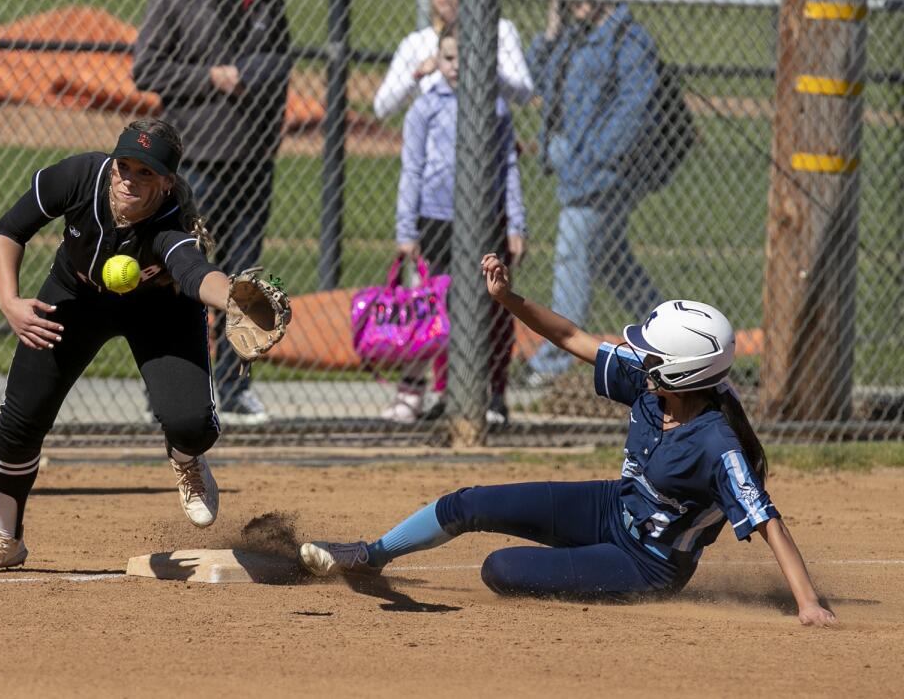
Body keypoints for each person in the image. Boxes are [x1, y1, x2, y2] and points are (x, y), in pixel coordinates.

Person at [297, 257, 839, 628]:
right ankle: (371, 555)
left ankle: (585, 563)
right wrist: (508, 297)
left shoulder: (717, 443)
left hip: (647, 566)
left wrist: (809, 605)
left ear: (680, 373)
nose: (639, 357)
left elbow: (767, 519)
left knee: (500, 569)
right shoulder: (655, 384)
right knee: (470, 502)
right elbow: (569, 336)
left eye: (652, 355)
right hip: (611, 506)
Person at [0, 119, 246, 572]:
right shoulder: (78, 177)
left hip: (158, 311)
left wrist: (233, 299)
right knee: (19, 419)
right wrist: (9, 301)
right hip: (75, 297)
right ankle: (5, 537)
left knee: (191, 423)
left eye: (145, 173)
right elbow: (9, 230)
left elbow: (193, 271)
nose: (129, 179)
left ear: (166, 183)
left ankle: (186, 459)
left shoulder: (171, 223)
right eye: (124, 166)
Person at [132, 0, 292, 426]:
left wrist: (247, 74)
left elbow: (278, 65)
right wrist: (211, 77)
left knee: (246, 282)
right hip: (194, 164)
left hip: (250, 163)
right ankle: (173, 390)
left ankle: (236, 387)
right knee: (183, 279)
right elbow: (145, 68)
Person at [523, 0, 662, 386]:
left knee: (572, 255)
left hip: (604, 174)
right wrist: (550, 30)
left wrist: (596, 156)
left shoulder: (627, 38)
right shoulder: (572, 36)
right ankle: (671, 342)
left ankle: (555, 360)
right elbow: (533, 83)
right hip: (573, 168)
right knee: (612, 263)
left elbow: (633, 109)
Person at [384, 21, 527, 426]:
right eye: (448, 57)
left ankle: (495, 394)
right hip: (437, 219)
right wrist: (406, 230)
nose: (456, 66)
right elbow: (411, 170)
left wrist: (516, 223)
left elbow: (509, 167)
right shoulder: (425, 108)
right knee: (442, 309)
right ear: (437, 60)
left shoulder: (495, 107)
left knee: (495, 306)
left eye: (466, 58)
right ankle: (449, 394)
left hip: (486, 220)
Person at [372, 0, 532, 121]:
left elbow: (524, 94)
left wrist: (486, 69)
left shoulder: (499, 30)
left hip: (486, 133)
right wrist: (417, 75)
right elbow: (382, 108)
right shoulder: (415, 43)